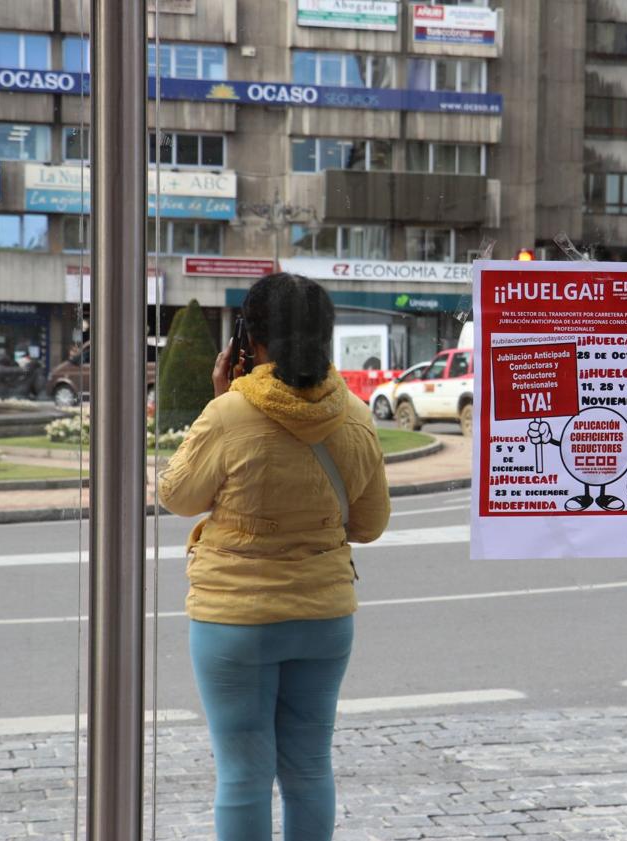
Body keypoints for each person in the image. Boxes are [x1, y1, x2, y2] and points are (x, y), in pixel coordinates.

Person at [159, 273, 391, 841]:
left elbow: (177, 496)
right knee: (310, 767)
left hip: (235, 620)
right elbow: (370, 525)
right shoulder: (357, 417)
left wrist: (220, 402)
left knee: (242, 775)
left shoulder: (229, 414)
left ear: (248, 341)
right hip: (324, 617)